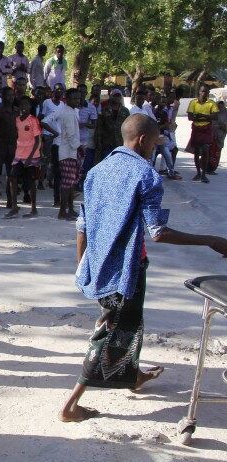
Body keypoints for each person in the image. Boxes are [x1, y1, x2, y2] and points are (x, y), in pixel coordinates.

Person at [59, 114, 227, 422]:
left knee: (129, 324)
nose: (155, 148)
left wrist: (83, 265)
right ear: (142, 140)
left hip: (99, 265)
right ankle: (71, 406)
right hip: (126, 271)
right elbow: (158, 231)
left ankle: (131, 377)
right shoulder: (146, 175)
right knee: (111, 332)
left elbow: (82, 224)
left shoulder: (96, 170)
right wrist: (211, 240)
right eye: (154, 142)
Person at [6, 96, 42, 218]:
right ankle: (15, 207)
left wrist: (30, 157)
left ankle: (33, 209)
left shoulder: (33, 120)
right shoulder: (17, 120)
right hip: (19, 153)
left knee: (31, 181)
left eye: (26, 105)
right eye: (22, 105)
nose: (24, 107)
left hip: (31, 155)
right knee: (12, 177)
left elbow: (37, 141)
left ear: (30, 106)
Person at [54, 88, 82, 220]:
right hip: (68, 152)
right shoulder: (68, 113)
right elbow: (71, 135)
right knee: (67, 183)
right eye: (74, 98)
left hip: (71, 151)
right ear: (68, 99)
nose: (77, 101)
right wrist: (79, 147)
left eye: (78, 98)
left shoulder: (71, 111)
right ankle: (62, 211)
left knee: (71, 183)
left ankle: (70, 209)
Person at [0, 86, 17, 210]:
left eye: (12, 95)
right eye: (8, 95)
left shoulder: (17, 111)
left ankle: (10, 201)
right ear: (2, 96)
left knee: (12, 175)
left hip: (13, 147)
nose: (10, 98)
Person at [187, 85, 218, 183]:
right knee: (196, 151)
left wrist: (201, 115)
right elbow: (190, 117)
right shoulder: (193, 103)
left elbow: (215, 117)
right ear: (199, 92)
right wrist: (207, 117)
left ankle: (204, 174)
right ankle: (198, 173)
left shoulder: (211, 103)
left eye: (206, 92)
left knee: (206, 150)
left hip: (207, 129)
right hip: (197, 128)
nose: (204, 93)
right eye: (202, 91)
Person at [96, 89, 129, 161]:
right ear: (111, 97)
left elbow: (128, 127)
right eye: (114, 96)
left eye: (118, 96)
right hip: (107, 142)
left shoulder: (125, 111)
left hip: (120, 142)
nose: (116, 98)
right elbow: (99, 127)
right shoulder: (104, 110)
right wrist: (98, 142)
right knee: (106, 161)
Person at [76, 84, 98, 185]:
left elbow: (93, 125)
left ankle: (78, 183)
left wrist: (84, 124)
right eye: (79, 92)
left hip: (83, 139)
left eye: (83, 92)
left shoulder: (91, 107)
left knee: (81, 163)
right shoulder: (71, 105)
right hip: (70, 139)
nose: (81, 94)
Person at [210, 100, 227, 173]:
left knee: (217, 153)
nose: (220, 108)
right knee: (210, 152)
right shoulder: (213, 113)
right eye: (218, 107)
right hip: (212, 135)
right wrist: (218, 126)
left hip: (221, 136)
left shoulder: (226, 113)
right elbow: (210, 124)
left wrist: (224, 126)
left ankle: (213, 168)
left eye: (222, 107)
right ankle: (207, 167)